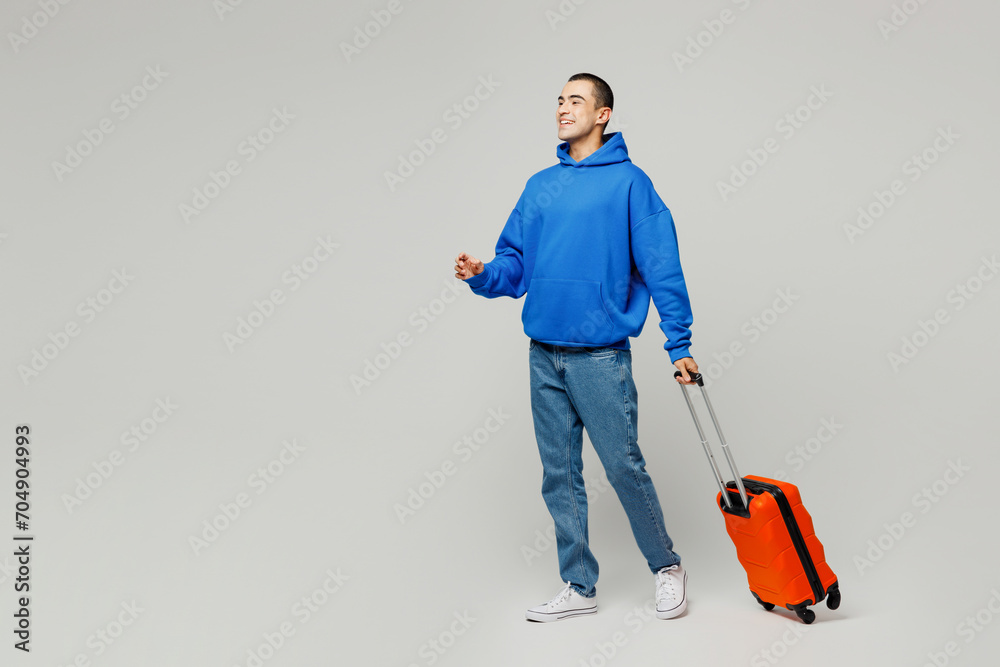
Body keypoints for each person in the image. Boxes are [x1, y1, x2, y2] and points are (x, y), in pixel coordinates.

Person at [453, 72, 700, 622]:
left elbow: (662, 265)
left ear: (604, 114)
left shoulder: (631, 183)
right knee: (559, 474)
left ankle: (667, 568)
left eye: (577, 100)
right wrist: (482, 273)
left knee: (622, 467)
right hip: (544, 352)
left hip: (600, 356)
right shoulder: (540, 184)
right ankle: (579, 586)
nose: (564, 108)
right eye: (560, 100)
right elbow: (516, 263)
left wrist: (677, 343)